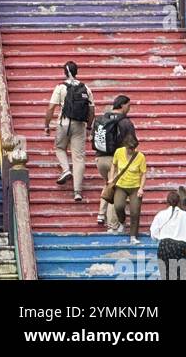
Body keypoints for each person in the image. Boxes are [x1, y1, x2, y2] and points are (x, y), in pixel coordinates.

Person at [44, 61, 94, 203]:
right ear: (76, 71)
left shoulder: (60, 87)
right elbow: (91, 110)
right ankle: (77, 191)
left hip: (64, 123)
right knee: (78, 157)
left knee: (60, 148)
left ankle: (66, 169)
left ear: (64, 73)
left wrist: (46, 125)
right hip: (80, 125)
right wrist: (89, 127)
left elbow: (51, 108)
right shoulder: (86, 88)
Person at [92, 94, 136, 231]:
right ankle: (113, 225)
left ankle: (101, 214)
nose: (129, 108)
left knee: (109, 184)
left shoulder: (101, 119)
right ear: (122, 105)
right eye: (128, 105)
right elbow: (132, 143)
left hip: (100, 159)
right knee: (116, 191)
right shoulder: (125, 122)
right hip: (115, 160)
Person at [108, 135, 147, 244]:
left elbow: (143, 173)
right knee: (118, 206)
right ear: (125, 146)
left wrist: (141, 188)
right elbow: (113, 165)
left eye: (134, 148)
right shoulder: (119, 152)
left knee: (135, 211)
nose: (132, 150)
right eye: (130, 148)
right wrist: (111, 178)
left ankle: (133, 236)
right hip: (121, 185)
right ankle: (122, 221)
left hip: (135, 187)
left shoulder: (140, 157)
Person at [150, 191, 186, 280]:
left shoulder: (161, 214)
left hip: (165, 246)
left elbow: (154, 233)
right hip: (180, 247)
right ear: (179, 202)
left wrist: (159, 238)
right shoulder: (185, 215)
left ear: (167, 202)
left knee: (167, 275)